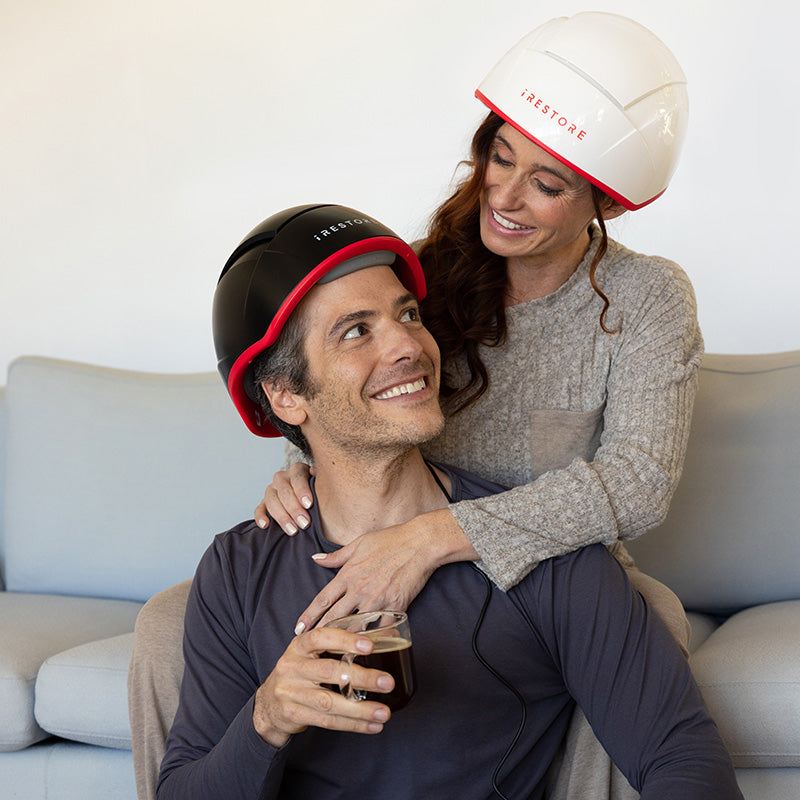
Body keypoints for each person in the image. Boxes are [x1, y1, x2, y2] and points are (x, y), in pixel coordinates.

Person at [129, 13, 702, 799]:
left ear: (601, 202)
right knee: (169, 618)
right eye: (500, 157)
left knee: (652, 620)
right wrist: (298, 469)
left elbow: (636, 482)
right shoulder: (428, 273)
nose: (504, 194)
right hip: (387, 530)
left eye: (546, 182)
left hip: (536, 562)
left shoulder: (644, 298)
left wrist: (439, 537)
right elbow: (342, 389)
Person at [155, 202, 741, 800]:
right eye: (356, 330)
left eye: (408, 314)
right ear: (285, 396)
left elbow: (686, 765)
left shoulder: (546, 561)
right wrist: (267, 720)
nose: (409, 345)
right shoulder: (237, 570)